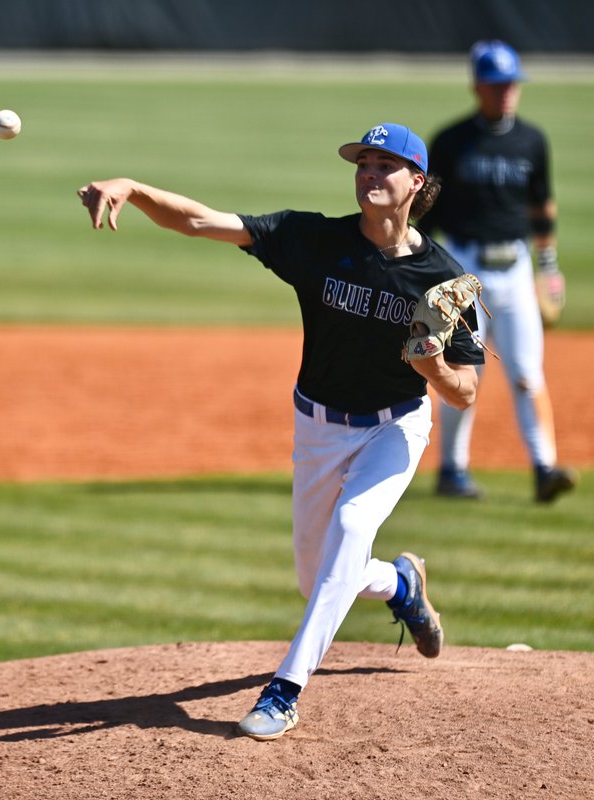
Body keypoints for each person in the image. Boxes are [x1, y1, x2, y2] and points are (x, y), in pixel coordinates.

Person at [77, 122, 485, 741]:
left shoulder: (445, 279)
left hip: (394, 429)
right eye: (362, 163)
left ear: (416, 182)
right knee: (315, 575)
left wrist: (431, 366)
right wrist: (132, 188)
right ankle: (401, 583)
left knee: (350, 529)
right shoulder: (314, 239)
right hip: (318, 426)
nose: (368, 173)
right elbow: (200, 221)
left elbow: (467, 390)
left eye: (384, 165)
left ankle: (284, 691)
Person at [417, 40, 576, 504]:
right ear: (477, 87)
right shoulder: (450, 142)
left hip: (517, 269)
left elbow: (543, 209)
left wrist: (550, 271)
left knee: (528, 372)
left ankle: (545, 468)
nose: (507, 92)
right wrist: (425, 270)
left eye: (512, 84)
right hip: (464, 269)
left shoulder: (532, 141)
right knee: (465, 371)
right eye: (497, 84)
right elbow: (427, 212)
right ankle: (452, 469)